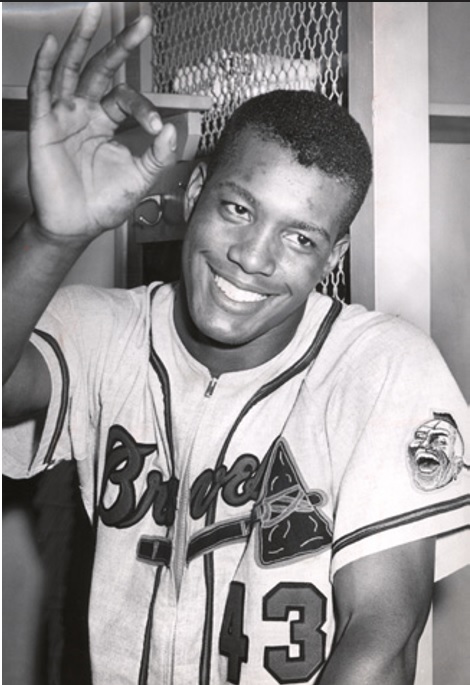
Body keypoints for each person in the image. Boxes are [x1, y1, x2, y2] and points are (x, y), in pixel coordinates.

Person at [3, 4, 469, 685]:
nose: (254, 257)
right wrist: (52, 238)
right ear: (196, 191)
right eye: (239, 208)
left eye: (300, 237)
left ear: (333, 255)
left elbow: (381, 644)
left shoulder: (383, 365)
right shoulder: (104, 328)